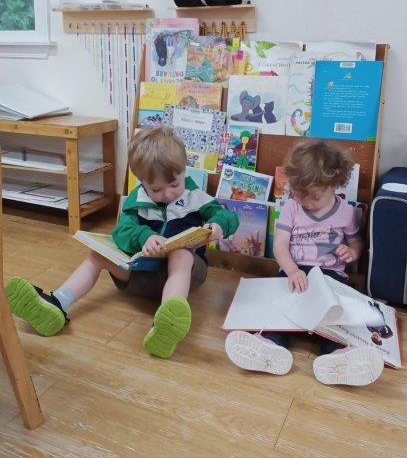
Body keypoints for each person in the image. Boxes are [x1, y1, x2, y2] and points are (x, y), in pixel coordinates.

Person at [6, 126, 239, 359]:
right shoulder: (136, 202)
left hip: (185, 275)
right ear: (142, 181)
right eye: (157, 189)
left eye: (175, 185)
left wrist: (218, 225)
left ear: (184, 170)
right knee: (97, 256)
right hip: (142, 275)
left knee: (181, 254)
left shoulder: (196, 198)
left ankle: (166, 319)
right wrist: (144, 236)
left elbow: (229, 216)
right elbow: (121, 233)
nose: (168, 194)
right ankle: (57, 303)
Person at [225, 140, 384, 386]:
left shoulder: (346, 212)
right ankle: (269, 344)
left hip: (329, 274)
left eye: (315, 197)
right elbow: (280, 245)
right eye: (300, 195)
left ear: (334, 184)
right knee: (280, 309)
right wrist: (291, 270)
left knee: (331, 315)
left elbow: (357, 243)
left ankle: (338, 354)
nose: (307, 202)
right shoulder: (292, 207)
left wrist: (352, 252)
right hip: (294, 270)